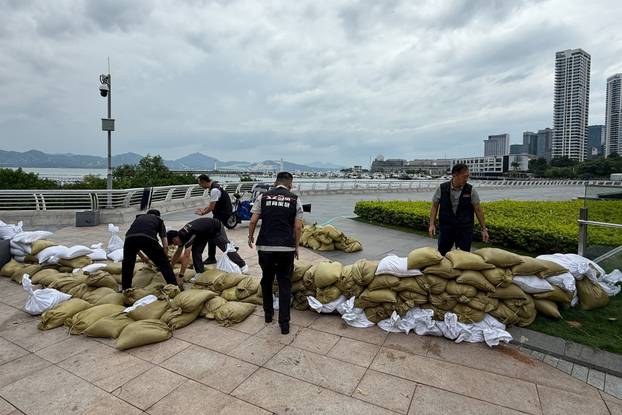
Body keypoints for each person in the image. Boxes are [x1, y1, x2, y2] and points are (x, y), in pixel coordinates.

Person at [248, 172, 303, 335]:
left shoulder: (262, 197)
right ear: (290, 184)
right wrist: (296, 246)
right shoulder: (295, 199)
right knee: (285, 283)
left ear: (275, 182)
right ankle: (284, 324)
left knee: (267, 279)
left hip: (265, 246)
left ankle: (268, 314)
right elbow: (298, 227)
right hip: (286, 247)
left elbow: (252, 220)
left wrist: (251, 236)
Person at [428, 163, 489, 255]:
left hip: (464, 228)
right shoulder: (442, 188)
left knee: (463, 256)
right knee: (442, 253)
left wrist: (484, 229)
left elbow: (478, 210)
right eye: (464, 176)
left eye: (467, 176)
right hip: (446, 227)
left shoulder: (470, 190)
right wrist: (432, 224)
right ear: (454, 175)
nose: (466, 179)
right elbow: (434, 206)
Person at [122, 209, 181, 290]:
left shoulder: (139, 218)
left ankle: (125, 289)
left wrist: (143, 257)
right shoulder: (159, 220)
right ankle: (174, 287)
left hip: (129, 239)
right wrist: (163, 259)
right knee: (165, 264)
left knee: (128, 264)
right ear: (158, 216)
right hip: (148, 239)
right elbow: (165, 245)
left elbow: (133, 239)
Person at [167, 217, 247, 276]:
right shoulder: (180, 237)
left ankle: (242, 265)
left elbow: (186, 255)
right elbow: (178, 253)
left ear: (175, 238)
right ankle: (200, 273)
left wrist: (181, 275)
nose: (174, 245)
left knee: (226, 248)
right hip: (203, 234)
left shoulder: (187, 234)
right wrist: (171, 266)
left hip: (215, 228)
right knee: (196, 252)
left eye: (173, 242)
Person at [196, 174, 233, 265]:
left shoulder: (214, 190)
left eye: (200, 184)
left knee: (214, 235)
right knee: (216, 234)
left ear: (204, 182)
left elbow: (212, 207)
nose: (200, 186)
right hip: (223, 213)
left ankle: (227, 251)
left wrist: (203, 213)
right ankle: (229, 249)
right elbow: (212, 203)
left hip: (223, 214)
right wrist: (204, 209)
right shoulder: (215, 186)